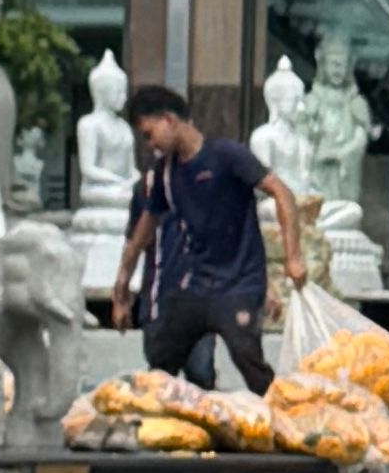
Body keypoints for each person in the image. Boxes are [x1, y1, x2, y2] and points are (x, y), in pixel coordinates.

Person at [114, 89, 280, 396]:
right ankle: (152, 412)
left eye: (150, 135)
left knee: (245, 357)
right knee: (163, 356)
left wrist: (293, 258)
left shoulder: (228, 156)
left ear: (169, 120)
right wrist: (121, 284)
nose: (150, 145)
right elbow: (141, 233)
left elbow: (282, 193)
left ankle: (282, 412)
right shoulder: (164, 174)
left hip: (239, 284)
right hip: (195, 286)